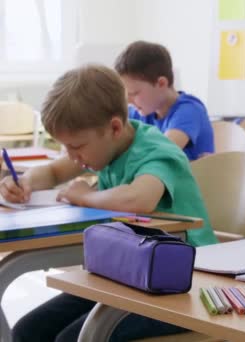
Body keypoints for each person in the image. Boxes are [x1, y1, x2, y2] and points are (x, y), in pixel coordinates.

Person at [2, 64, 217, 341]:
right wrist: (25, 182)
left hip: (185, 286)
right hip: (125, 277)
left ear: (114, 127)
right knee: (28, 331)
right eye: (65, 147)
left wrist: (84, 196)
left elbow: (138, 198)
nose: (72, 156)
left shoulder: (158, 150)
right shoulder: (103, 144)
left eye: (76, 147)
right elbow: (54, 171)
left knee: (72, 339)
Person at [115, 40, 214, 160]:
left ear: (161, 83)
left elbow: (162, 152)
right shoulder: (140, 111)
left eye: (134, 93)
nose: (128, 101)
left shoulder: (190, 110)